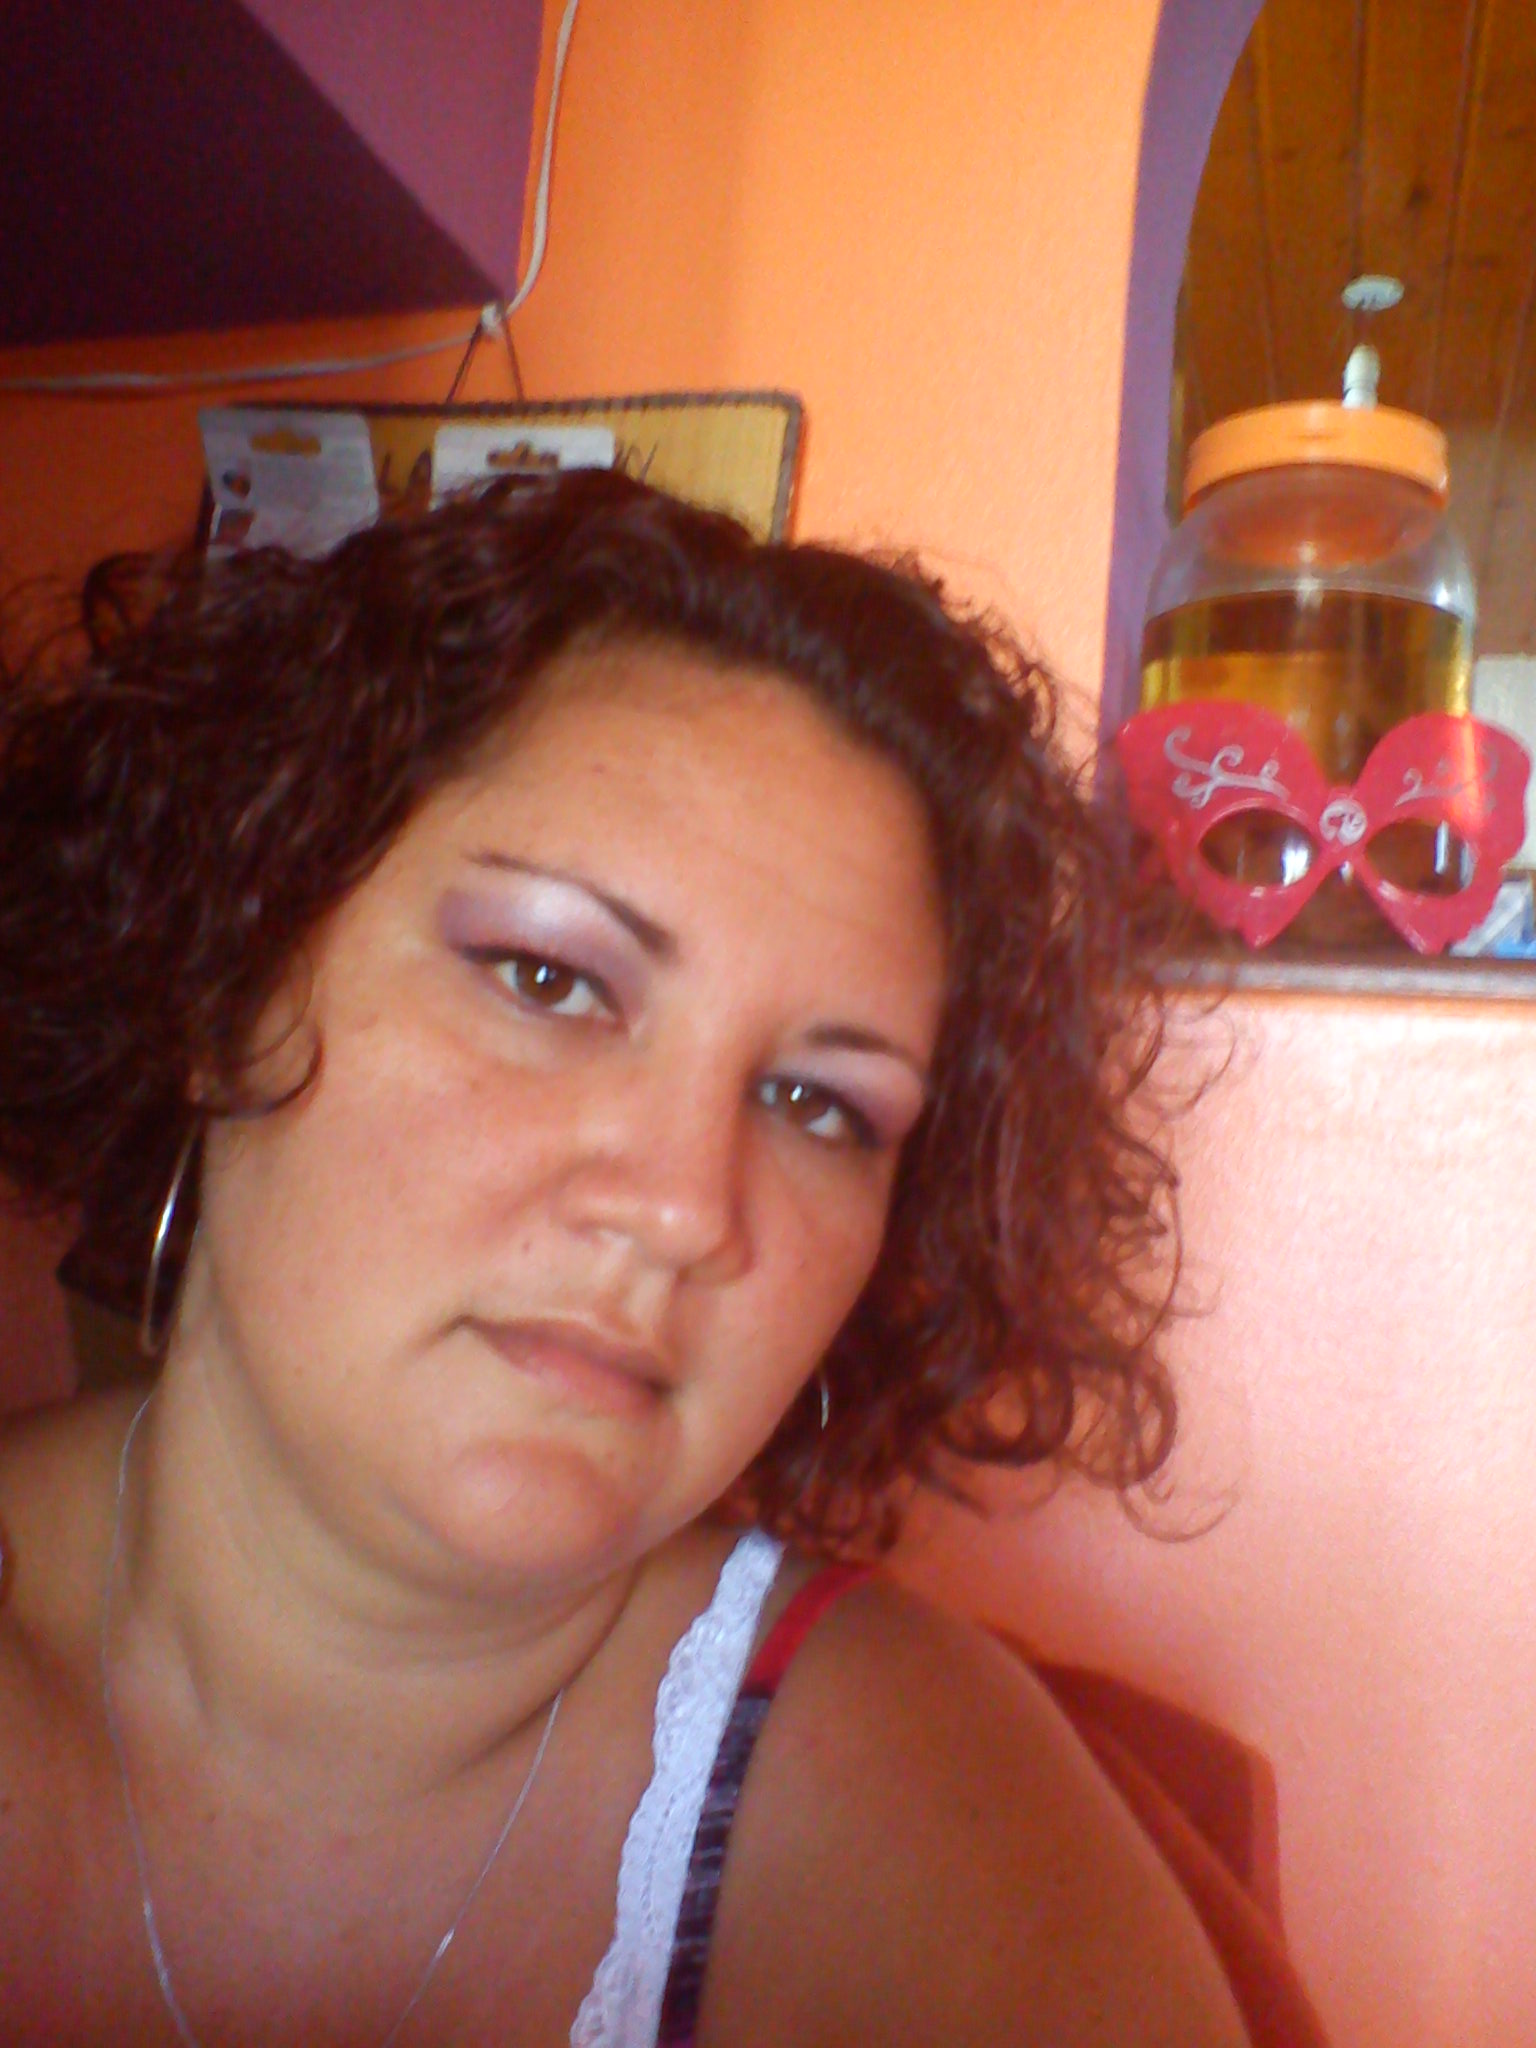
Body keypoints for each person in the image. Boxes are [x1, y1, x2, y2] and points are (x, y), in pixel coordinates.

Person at [0, 469, 1252, 2047]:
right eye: (546, 978)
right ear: (226, 971)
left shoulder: (939, 1838)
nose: (683, 1210)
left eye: (817, 1104)